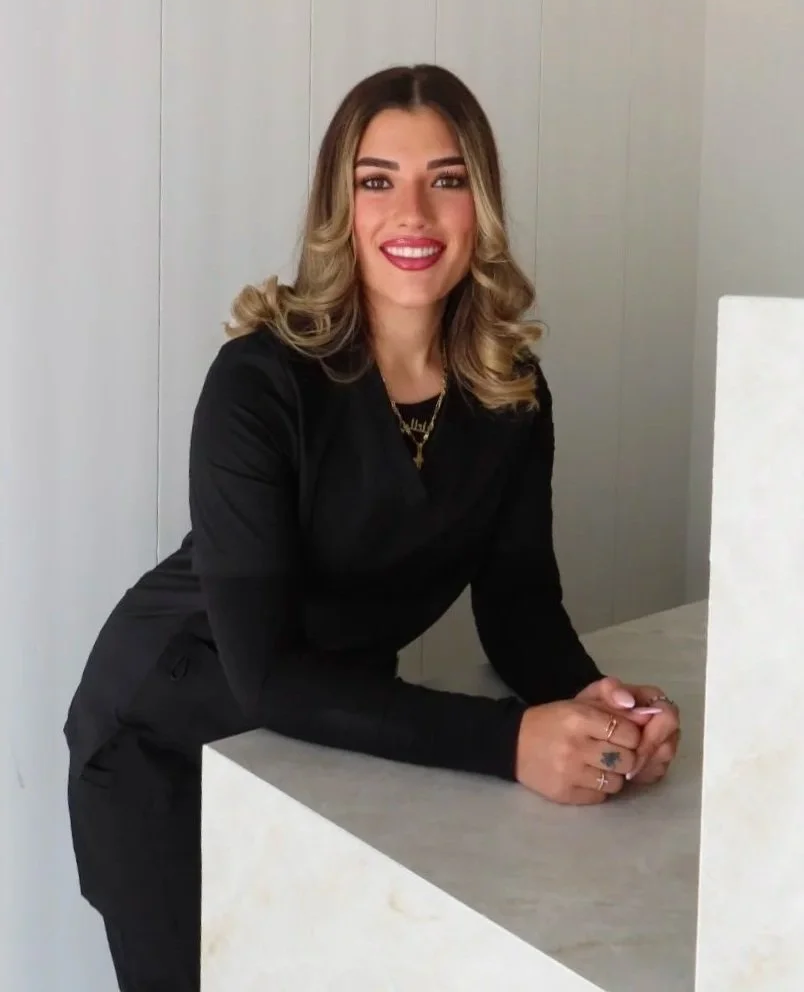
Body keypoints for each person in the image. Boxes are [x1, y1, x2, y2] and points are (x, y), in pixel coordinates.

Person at [64, 63, 681, 991]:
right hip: (167, 735)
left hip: (336, 733)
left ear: (481, 204)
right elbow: (265, 673)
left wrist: (603, 713)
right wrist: (511, 741)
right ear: (339, 208)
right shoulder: (259, 383)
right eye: (377, 180)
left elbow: (519, 607)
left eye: (446, 179)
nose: (413, 215)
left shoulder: (510, 393)